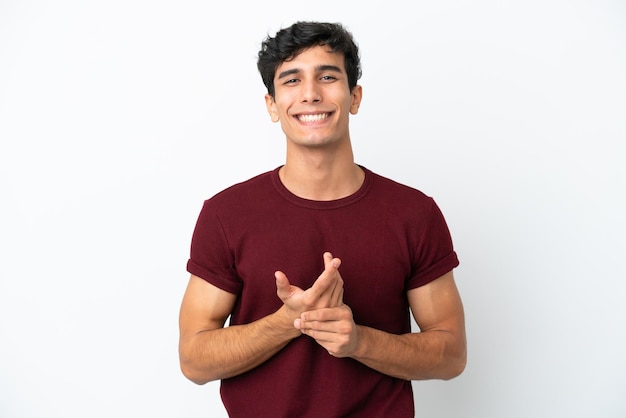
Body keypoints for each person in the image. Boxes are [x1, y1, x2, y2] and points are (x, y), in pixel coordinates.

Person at [178, 21, 466, 417]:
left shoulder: (413, 213)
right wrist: (288, 322)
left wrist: (359, 341)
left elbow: (451, 354)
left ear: (355, 97)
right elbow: (194, 360)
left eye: (327, 76)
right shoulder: (226, 214)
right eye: (292, 80)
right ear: (272, 106)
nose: (310, 94)